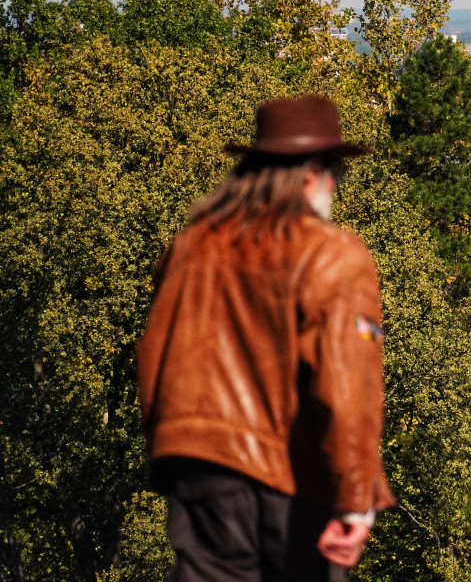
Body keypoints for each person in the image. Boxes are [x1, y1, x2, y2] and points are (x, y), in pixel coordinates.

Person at [138, 96, 395, 580]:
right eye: (335, 171)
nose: (337, 185)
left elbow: (154, 358)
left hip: (198, 474)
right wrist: (356, 500)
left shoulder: (193, 244)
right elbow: (346, 389)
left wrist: (176, 450)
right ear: (309, 174)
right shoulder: (332, 255)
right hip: (291, 481)